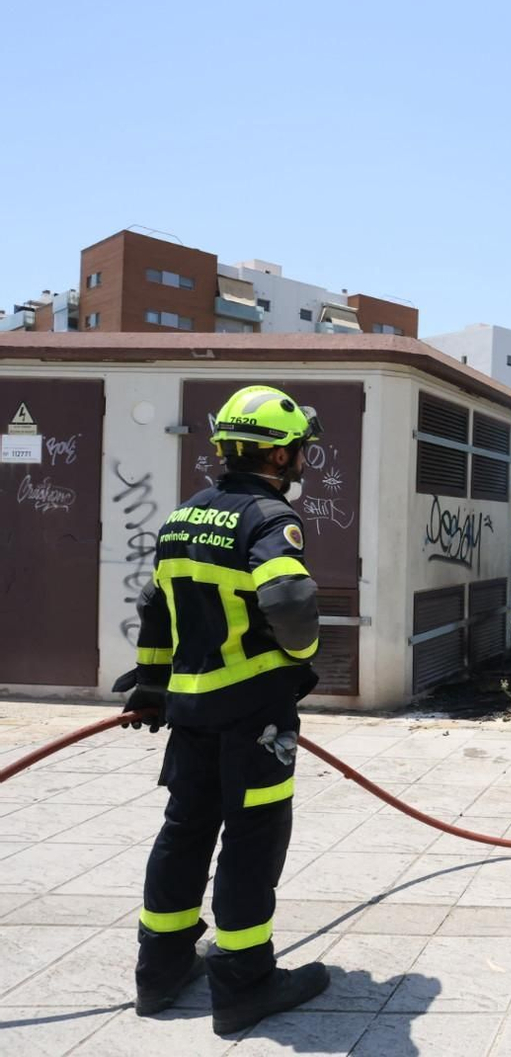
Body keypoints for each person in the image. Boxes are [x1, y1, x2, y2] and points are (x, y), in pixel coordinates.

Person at [121, 384, 331, 1034]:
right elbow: (291, 600)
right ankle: (243, 981)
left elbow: (157, 609)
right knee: (251, 837)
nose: (303, 463)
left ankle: (159, 971)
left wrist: (153, 684)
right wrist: (303, 654)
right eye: (299, 452)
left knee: (184, 827)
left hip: (189, 712)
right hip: (253, 715)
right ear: (278, 456)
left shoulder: (183, 517)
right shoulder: (269, 519)